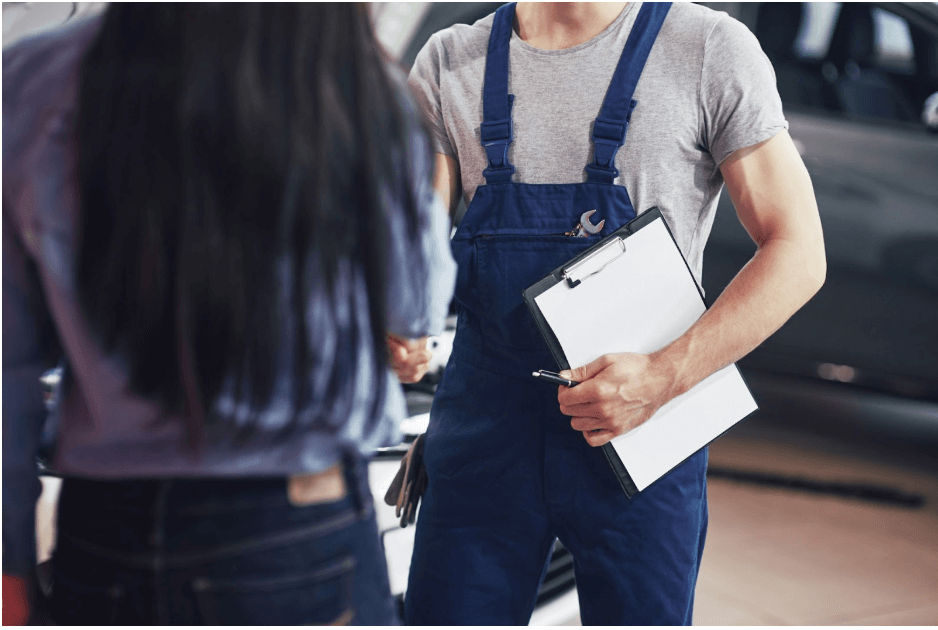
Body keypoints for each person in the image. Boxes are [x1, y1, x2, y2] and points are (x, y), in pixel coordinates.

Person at [2, 4, 455, 625]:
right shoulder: (350, 82)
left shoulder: (32, 79)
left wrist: (10, 565)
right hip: (295, 527)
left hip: (103, 535)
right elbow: (416, 302)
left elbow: (9, 369)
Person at [400, 2, 826, 625]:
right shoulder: (448, 60)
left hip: (643, 435)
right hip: (481, 441)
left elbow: (798, 252)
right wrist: (395, 320)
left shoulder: (708, 49)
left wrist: (662, 376)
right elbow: (409, 251)